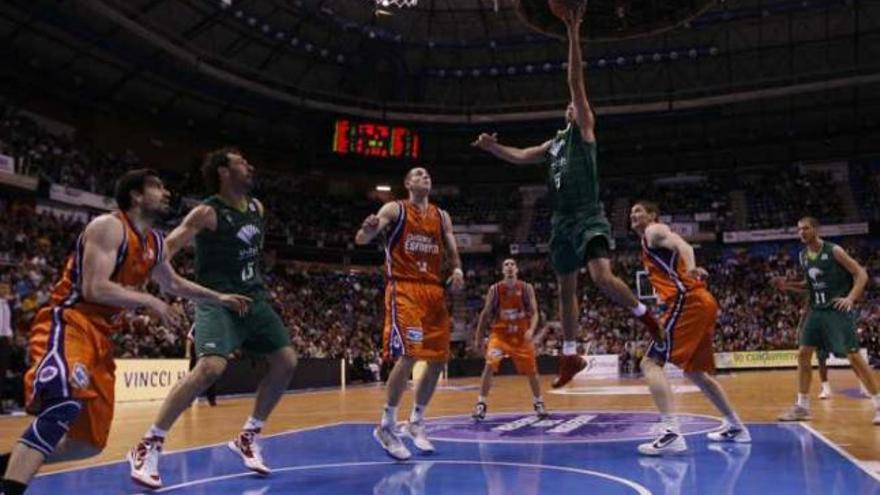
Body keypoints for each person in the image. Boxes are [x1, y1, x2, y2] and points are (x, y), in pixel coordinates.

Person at [0, 169, 251, 495]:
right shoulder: (109, 227)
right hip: (70, 323)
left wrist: (219, 297)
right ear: (136, 195)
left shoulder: (155, 243)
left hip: (102, 339)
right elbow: (94, 287)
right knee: (64, 405)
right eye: (157, 186)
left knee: (87, 444)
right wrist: (149, 301)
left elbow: (173, 283)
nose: (166, 192)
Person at [472, 2, 662, 389]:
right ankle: (571, 354)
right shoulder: (555, 142)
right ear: (565, 114)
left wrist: (573, 32)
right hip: (562, 221)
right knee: (565, 288)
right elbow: (522, 155)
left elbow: (575, 81)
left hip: (589, 214)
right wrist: (493, 147)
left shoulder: (586, 131)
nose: (574, 106)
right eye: (571, 106)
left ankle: (646, 316)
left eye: (578, 103)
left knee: (601, 276)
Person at [128, 149, 299, 489]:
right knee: (210, 368)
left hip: (254, 299)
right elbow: (170, 245)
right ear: (223, 171)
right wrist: (153, 278)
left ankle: (248, 436)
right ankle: (148, 444)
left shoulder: (256, 207)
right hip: (217, 300)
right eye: (241, 162)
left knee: (286, 361)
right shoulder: (207, 212)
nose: (249, 165)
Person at [355, 167, 464, 461]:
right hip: (404, 289)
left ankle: (416, 421)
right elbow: (363, 239)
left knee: (439, 359)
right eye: (417, 174)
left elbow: (452, 250)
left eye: (428, 174)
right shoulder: (395, 208)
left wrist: (457, 270)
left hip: (434, 291)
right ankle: (386, 426)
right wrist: (367, 229)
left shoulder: (442, 216)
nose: (424, 176)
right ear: (407, 183)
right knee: (410, 354)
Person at [630, 201, 751, 455]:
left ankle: (671, 432)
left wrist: (692, 266)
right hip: (702, 301)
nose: (634, 215)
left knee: (650, 363)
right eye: (631, 212)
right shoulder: (648, 241)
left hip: (688, 301)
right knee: (696, 373)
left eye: (639, 211)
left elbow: (681, 244)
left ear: (652, 215)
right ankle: (736, 426)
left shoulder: (654, 231)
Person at [774, 217, 880, 424]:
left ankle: (878, 403)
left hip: (836, 309)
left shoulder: (834, 251)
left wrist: (850, 298)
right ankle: (802, 407)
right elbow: (810, 285)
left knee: (854, 357)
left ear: (815, 229)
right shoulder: (803, 256)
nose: (801, 233)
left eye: (805, 228)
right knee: (803, 354)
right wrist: (788, 285)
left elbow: (861, 273)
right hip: (816, 309)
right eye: (799, 230)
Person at [471, 258, 548, 421]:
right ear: (502, 270)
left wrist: (531, 330)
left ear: (517, 269)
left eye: (512, 264)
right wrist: (478, 337)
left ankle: (538, 402)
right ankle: (481, 404)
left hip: (521, 337)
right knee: (490, 365)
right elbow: (485, 315)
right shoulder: (495, 289)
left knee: (532, 372)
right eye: (506, 264)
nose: (509, 267)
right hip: (500, 336)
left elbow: (535, 313)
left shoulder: (527, 288)